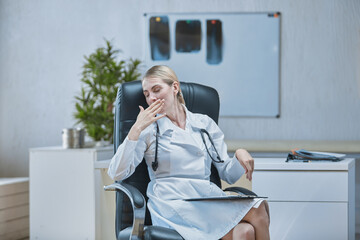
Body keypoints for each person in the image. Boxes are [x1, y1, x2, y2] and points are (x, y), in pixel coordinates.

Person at [108, 65, 270, 240]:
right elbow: (117, 172)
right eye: (147, 94)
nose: (151, 98)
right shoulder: (148, 129)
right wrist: (136, 128)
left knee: (246, 231)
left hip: (205, 198)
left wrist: (240, 154)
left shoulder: (204, 124)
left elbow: (228, 175)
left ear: (174, 88)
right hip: (173, 203)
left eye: (156, 90)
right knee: (258, 210)